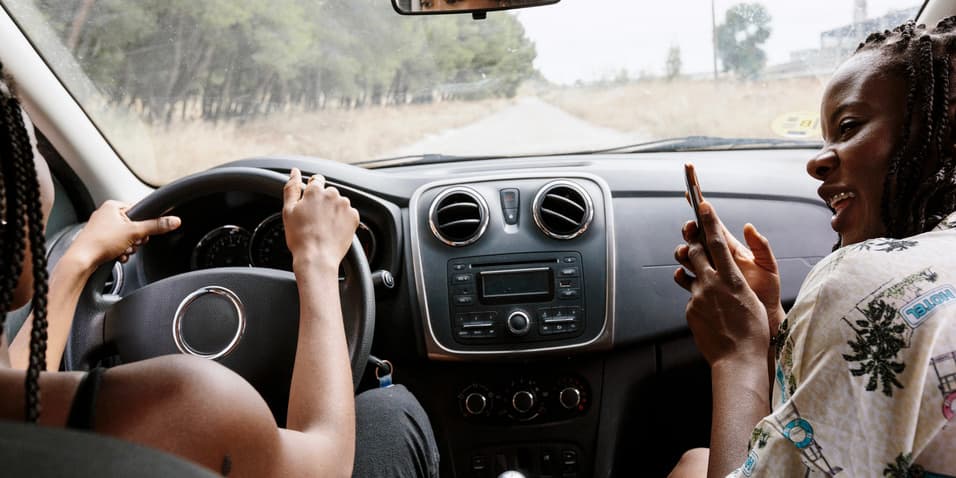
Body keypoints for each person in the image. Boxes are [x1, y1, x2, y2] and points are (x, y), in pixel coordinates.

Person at [0, 66, 439, 477]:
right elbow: (326, 461)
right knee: (391, 414)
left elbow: (18, 381)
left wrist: (80, 259)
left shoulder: (20, 411)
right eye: (34, 146)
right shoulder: (183, 405)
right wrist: (317, 262)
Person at [670, 19, 956, 478]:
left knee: (690, 465)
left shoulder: (862, 285)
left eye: (848, 127)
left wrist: (737, 352)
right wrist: (771, 323)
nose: (816, 161)